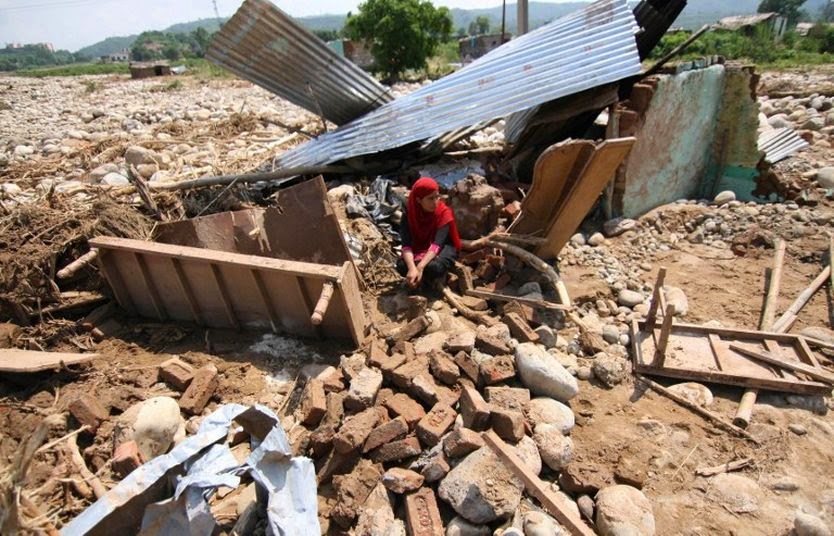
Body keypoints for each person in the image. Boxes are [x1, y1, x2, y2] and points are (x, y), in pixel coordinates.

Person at [397, 176, 462, 290]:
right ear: (418, 200)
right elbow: (406, 244)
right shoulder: (409, 215)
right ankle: (421, 278)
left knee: (434, 267)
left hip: (442, 247)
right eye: (430, 198)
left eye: (437, 197)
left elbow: (438, 244)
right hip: (419, 247)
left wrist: (420, 267)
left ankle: (426, 279)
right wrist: (412, 267)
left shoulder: (443, 213)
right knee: (402, 266)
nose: (435, 202)